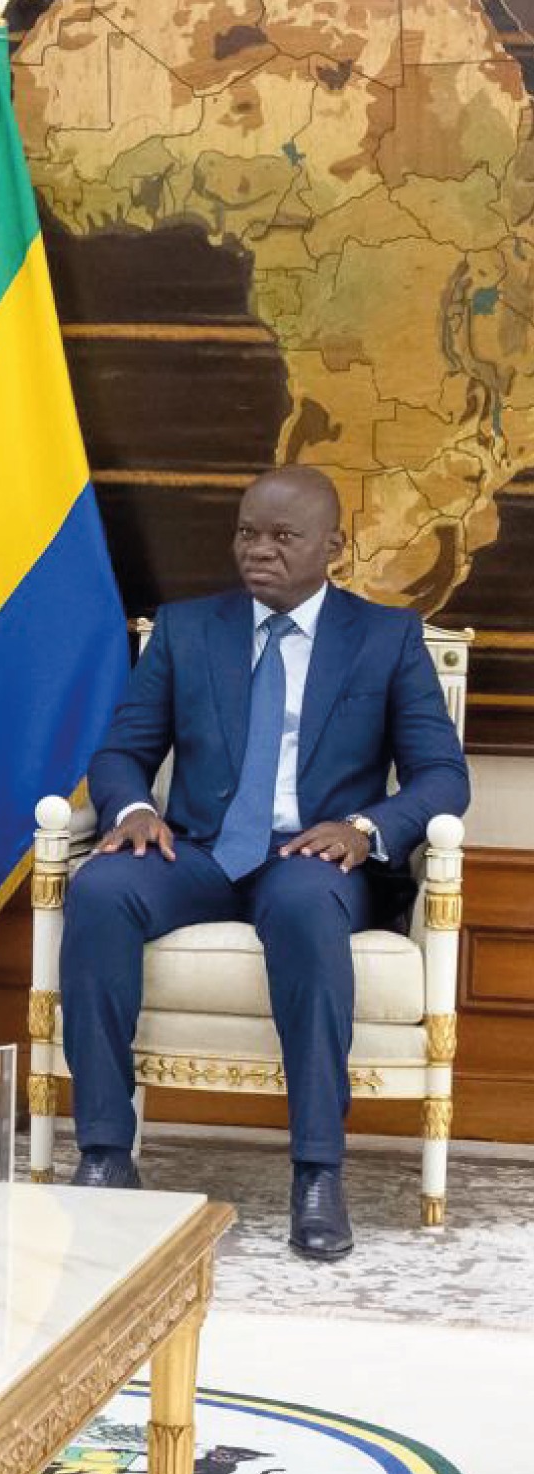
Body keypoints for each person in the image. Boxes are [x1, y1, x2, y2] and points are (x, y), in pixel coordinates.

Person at [63, 465, 470, 1259]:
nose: (260, 551)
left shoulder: (384, 639)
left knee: (302, 904)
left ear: (332, 548)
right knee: (103, 885)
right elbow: (122, 751)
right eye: (249, 532)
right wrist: (136, 810)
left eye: (284, 537)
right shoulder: (188, 629)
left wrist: (364, 825)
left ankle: (317, 1171)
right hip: (202, 851)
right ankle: (106, 1154)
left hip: (315, 858)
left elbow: (442, 776)